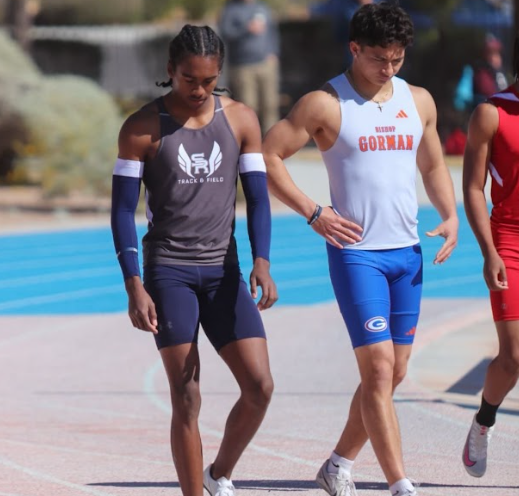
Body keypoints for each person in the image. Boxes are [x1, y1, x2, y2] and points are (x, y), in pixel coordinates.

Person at [262, 3, 458, 496]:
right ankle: (399, 483)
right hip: (358, 254)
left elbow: (433, 166)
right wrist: (313, 211)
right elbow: (267, 154)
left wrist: (450, 215)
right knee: (378, 367)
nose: (388, 68)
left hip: (406, 253)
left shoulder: (419, 101)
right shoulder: (326, 103)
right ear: (354, 49)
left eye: (396, 58)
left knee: (395, 372)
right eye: (378, 58)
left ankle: (337, 464)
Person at [110, 24, 277, 496]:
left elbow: (259, 200)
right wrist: (134, 283)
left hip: (223, 271)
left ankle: (219, 473)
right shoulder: (141, 128)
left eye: (208, 80)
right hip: (170, 274)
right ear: (170, 71)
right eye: (189, 80)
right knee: (187, 396)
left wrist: (261, 261)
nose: (199, 90)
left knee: (260, 387)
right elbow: (123, 210)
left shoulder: (242, 120)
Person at [461, 33, 519, 478]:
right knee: (513, 357)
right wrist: (488, 251)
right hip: (510, 241)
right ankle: (484, 420)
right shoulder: (491, 112)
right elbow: (473, 188)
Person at [218, 0, 280, 134]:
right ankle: (249, 141)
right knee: (248, 106)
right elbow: (225, 32)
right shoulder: (231, 9)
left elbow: (272, 32)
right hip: (242, 66)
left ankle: (271, 142)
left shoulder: (262, 7)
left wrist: (273, 52)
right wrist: (246, 29)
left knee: (270, 105)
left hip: (266, 64)